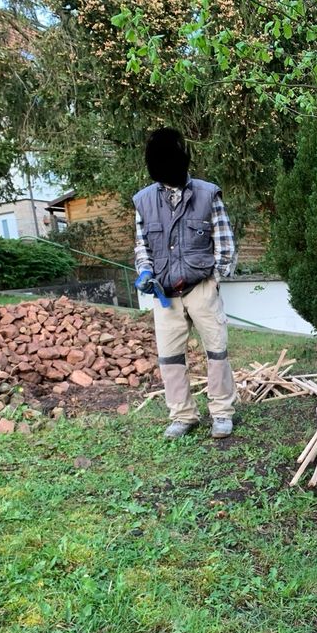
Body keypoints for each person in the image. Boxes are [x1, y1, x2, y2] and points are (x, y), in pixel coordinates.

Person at [133, 128, 237, 439]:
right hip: (164, 294)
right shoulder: (143, 201)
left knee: (217, 351)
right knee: (169, 357)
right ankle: (183, 416)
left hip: (201, 287)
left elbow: (225, 243)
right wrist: (144, 271)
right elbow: (142, 246)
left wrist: (215, 279)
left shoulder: (208, 194)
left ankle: (221, 413)